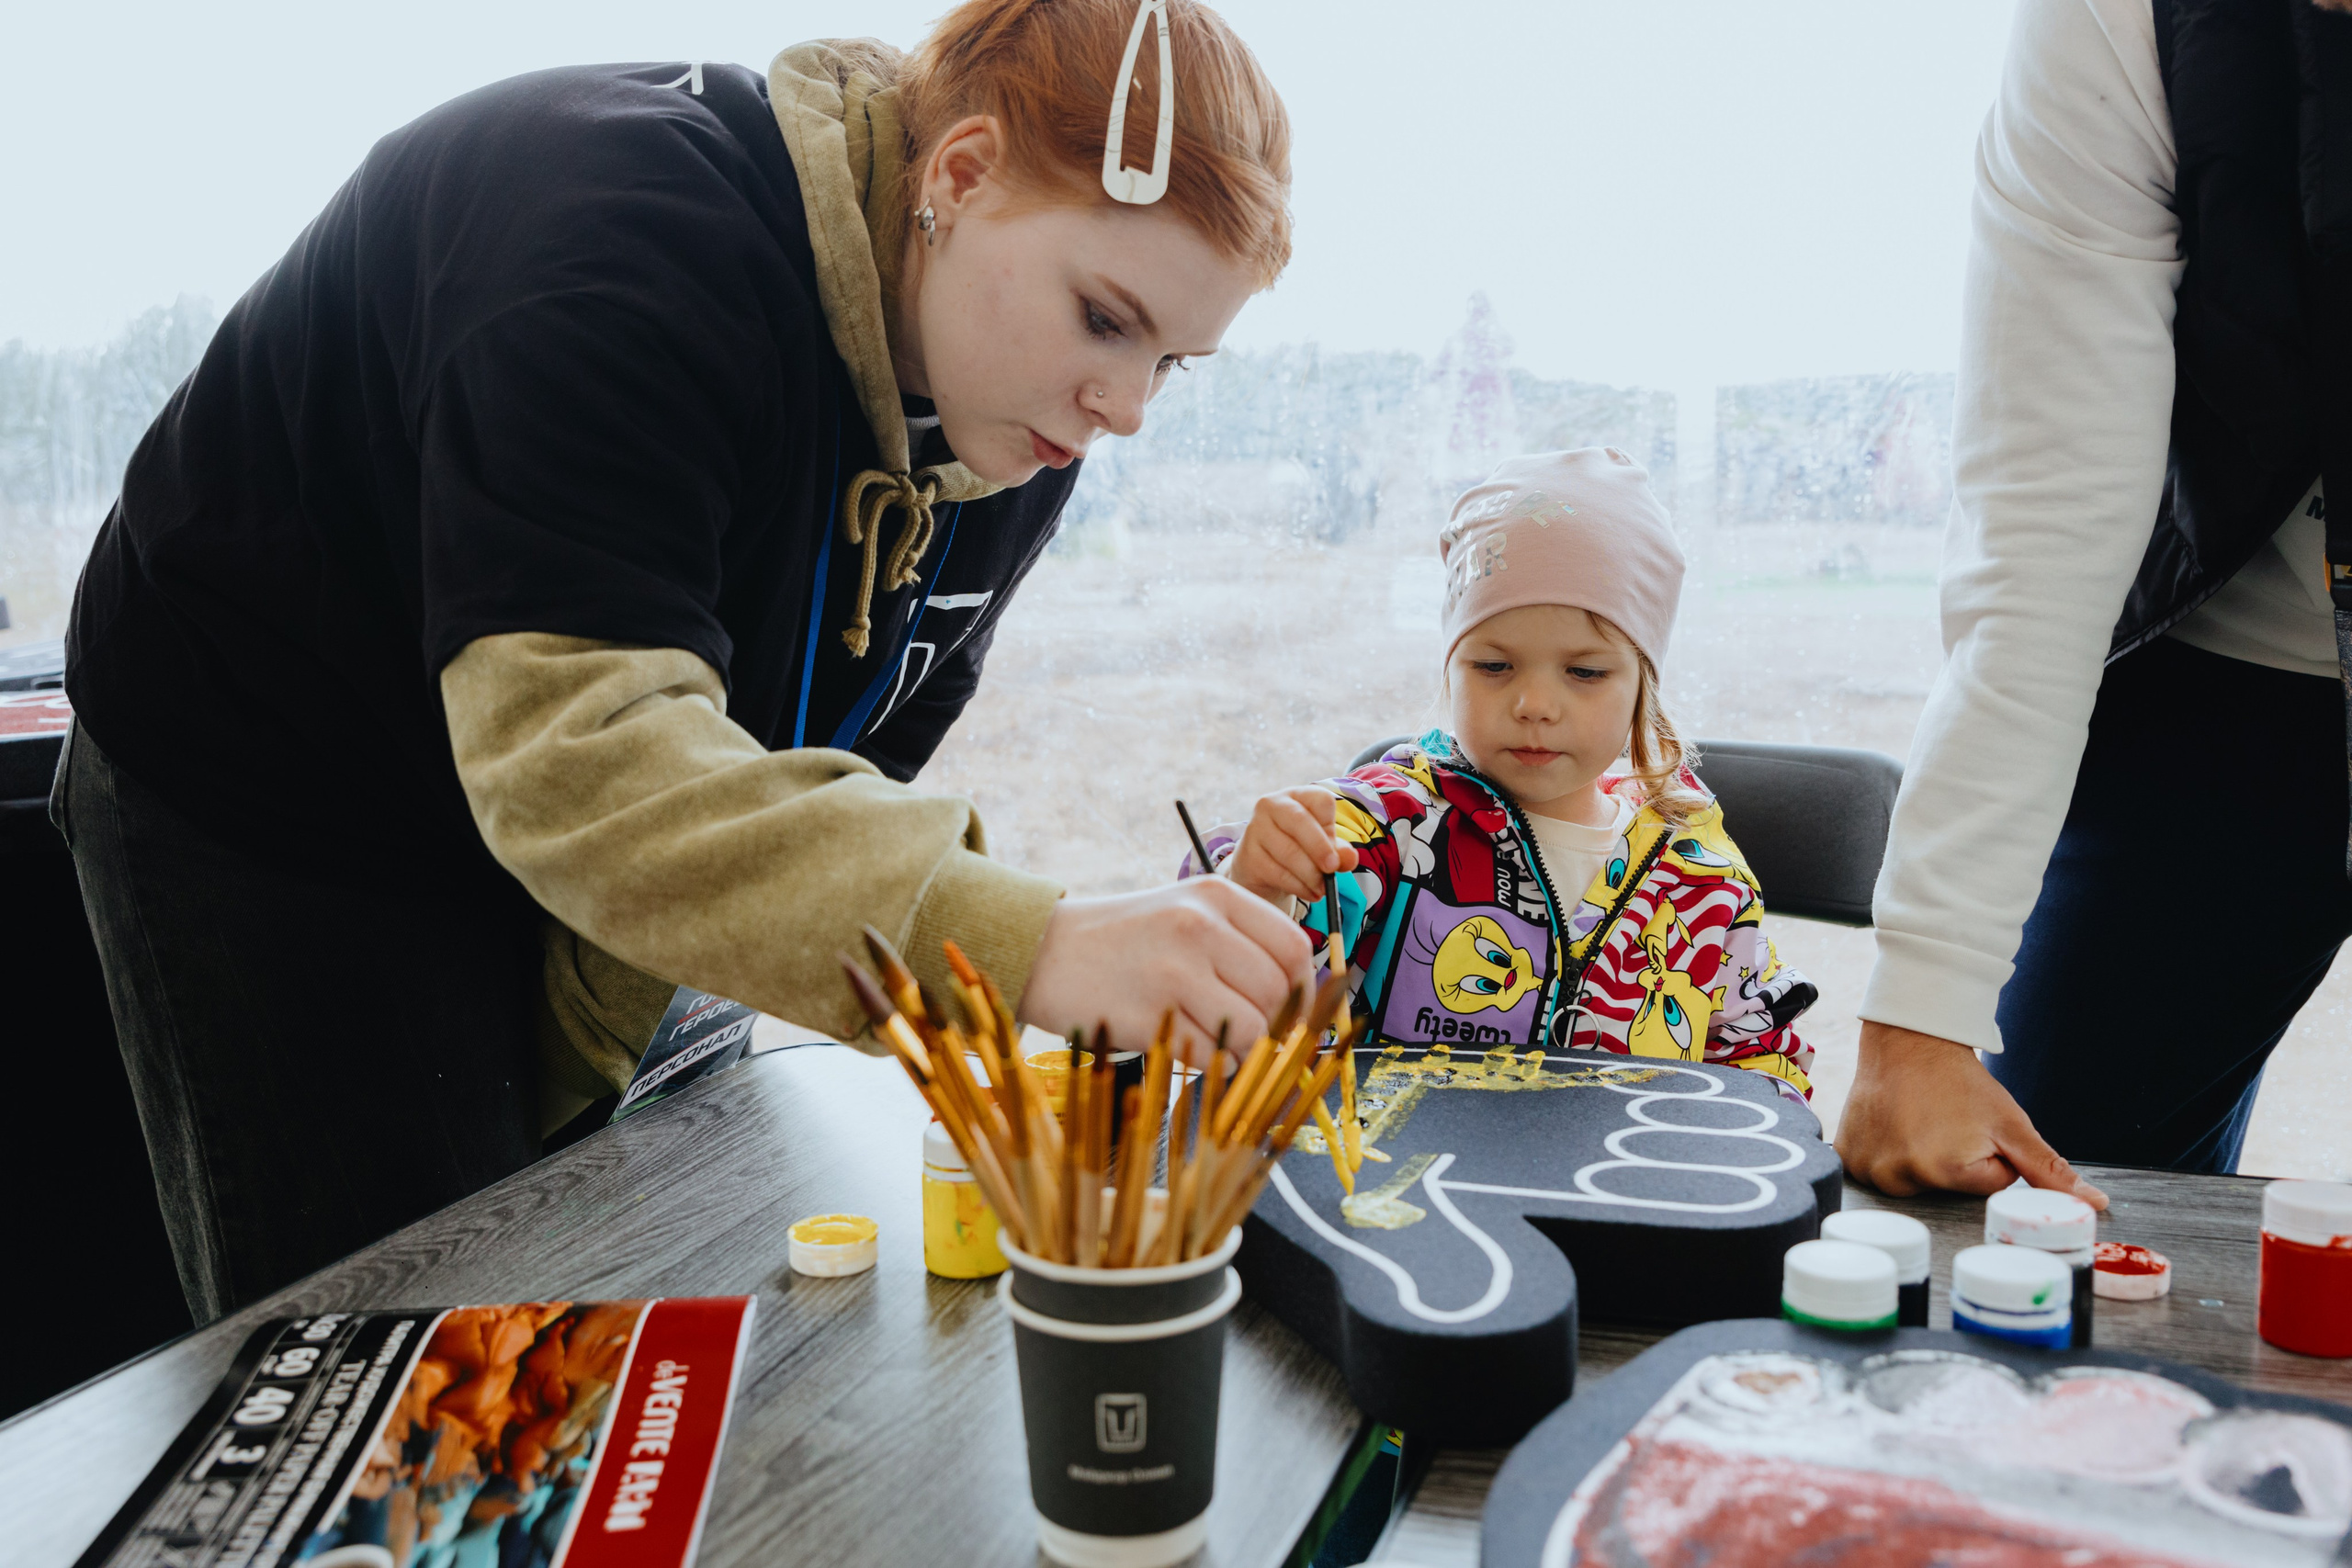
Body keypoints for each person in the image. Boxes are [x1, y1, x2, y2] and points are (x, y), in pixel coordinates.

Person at [53, 0, 1313, 1322]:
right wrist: (1030, 944)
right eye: (1106, 318)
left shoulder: (1011, 414)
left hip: (569, 791)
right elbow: (586, 772)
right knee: (404, 1371)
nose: (1127, 410)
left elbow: (841, 749)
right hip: (283, 782)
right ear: (960, 175)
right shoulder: (620, 243)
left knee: (611, 1254)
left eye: (1172, 359)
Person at [1838, 0, 2352, 1201]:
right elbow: (2048, 514)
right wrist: (1921, 1008)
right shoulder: (2115, 19)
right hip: (2227, 659)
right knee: (2037, 1190)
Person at [1204, 448, 1818, 1088]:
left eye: (1584, 672)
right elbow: (1255, 964)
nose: (1533, 705)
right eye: (1494, 666)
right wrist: (1258, 881)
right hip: (1399, 1183)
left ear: (1645, 686)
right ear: (1450, 666)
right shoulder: (1391, 827)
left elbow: (1759, 1064)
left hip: (1625, 1186)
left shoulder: (1702, 882)